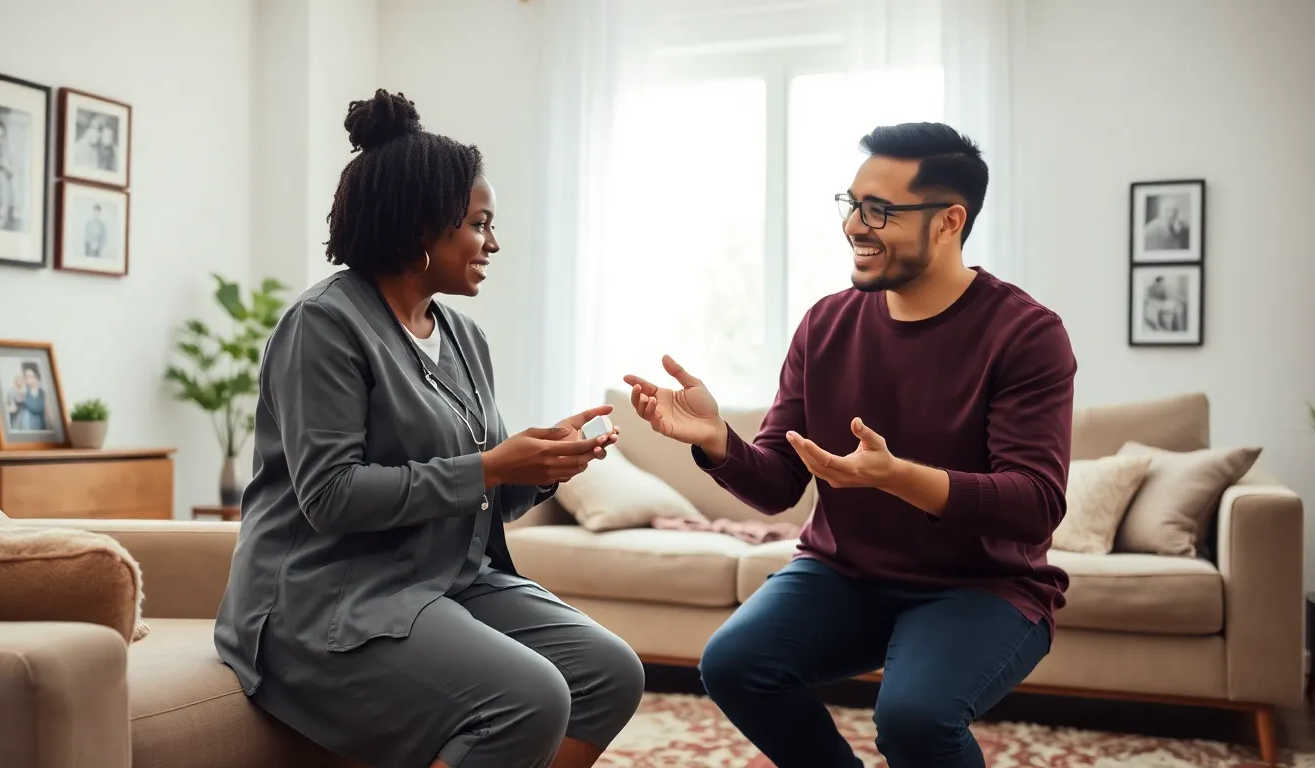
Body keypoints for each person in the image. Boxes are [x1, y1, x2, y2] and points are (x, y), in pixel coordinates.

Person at [214, 89, 645, 768]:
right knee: (529, 697)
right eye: (479, 224)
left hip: (443, 577)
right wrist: (493, 466)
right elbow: (328, 497)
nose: (493, 243)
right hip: (326, 597)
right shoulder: (323, 326)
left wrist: (544, 465)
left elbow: (488, 492)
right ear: (423, 229)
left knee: (610, 672)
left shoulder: (464, 336)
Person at [624, 122, 1077, 767]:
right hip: (843, 573)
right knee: (734, 664)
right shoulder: (827, 322)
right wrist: (717, 441)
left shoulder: (1026, 334)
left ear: (949, 221)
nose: (854, 227)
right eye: (852, 204)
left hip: (981, 586)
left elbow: (1035, 503)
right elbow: (780, 484)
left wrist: (894, 476)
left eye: (880, 211)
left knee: (915, 720)